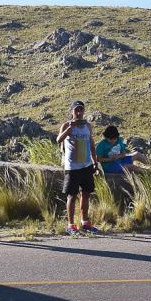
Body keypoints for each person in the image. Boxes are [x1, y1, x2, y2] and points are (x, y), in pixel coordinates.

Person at [57, 100, 99, 235]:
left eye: (81, 110)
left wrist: (95, 162)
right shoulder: (66, 125)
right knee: (72, 196)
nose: (79, 113)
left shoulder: (88, 126)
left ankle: (85, 223)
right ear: (72, 112)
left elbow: (91, 145)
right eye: (76, 110)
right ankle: (71, 226)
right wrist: (67, 131)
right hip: (72, 167)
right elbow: (58, 140)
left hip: (86, 165)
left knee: (86, 194)